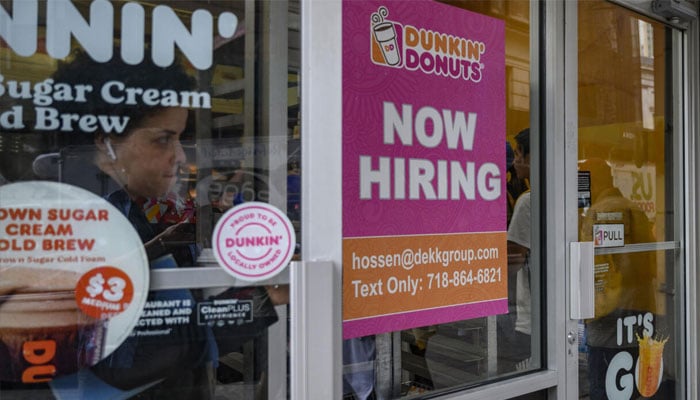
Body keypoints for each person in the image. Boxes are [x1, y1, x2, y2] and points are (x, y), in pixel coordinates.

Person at [39, 49, 282, 399]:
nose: (180, 156)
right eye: (163, 139)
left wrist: (161, 245)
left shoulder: (95, 205)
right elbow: (137, 356)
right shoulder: (95, 217)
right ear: (105, 140)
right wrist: (267, 296)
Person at [578, 158, 658, 399]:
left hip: (610, 321)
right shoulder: (634, 208)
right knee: (636, 386)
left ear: (596, 182)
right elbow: (649, 264)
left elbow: (595, 270)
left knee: (605, 388)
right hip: (641, 312)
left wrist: (586, 313)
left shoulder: (600, 212)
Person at [499, 128, 533, 372]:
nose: (516, 160)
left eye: (520, 153)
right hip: (554, 313)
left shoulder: (527, 201)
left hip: (528, 319)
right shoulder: (560, 196)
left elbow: (513, 260)